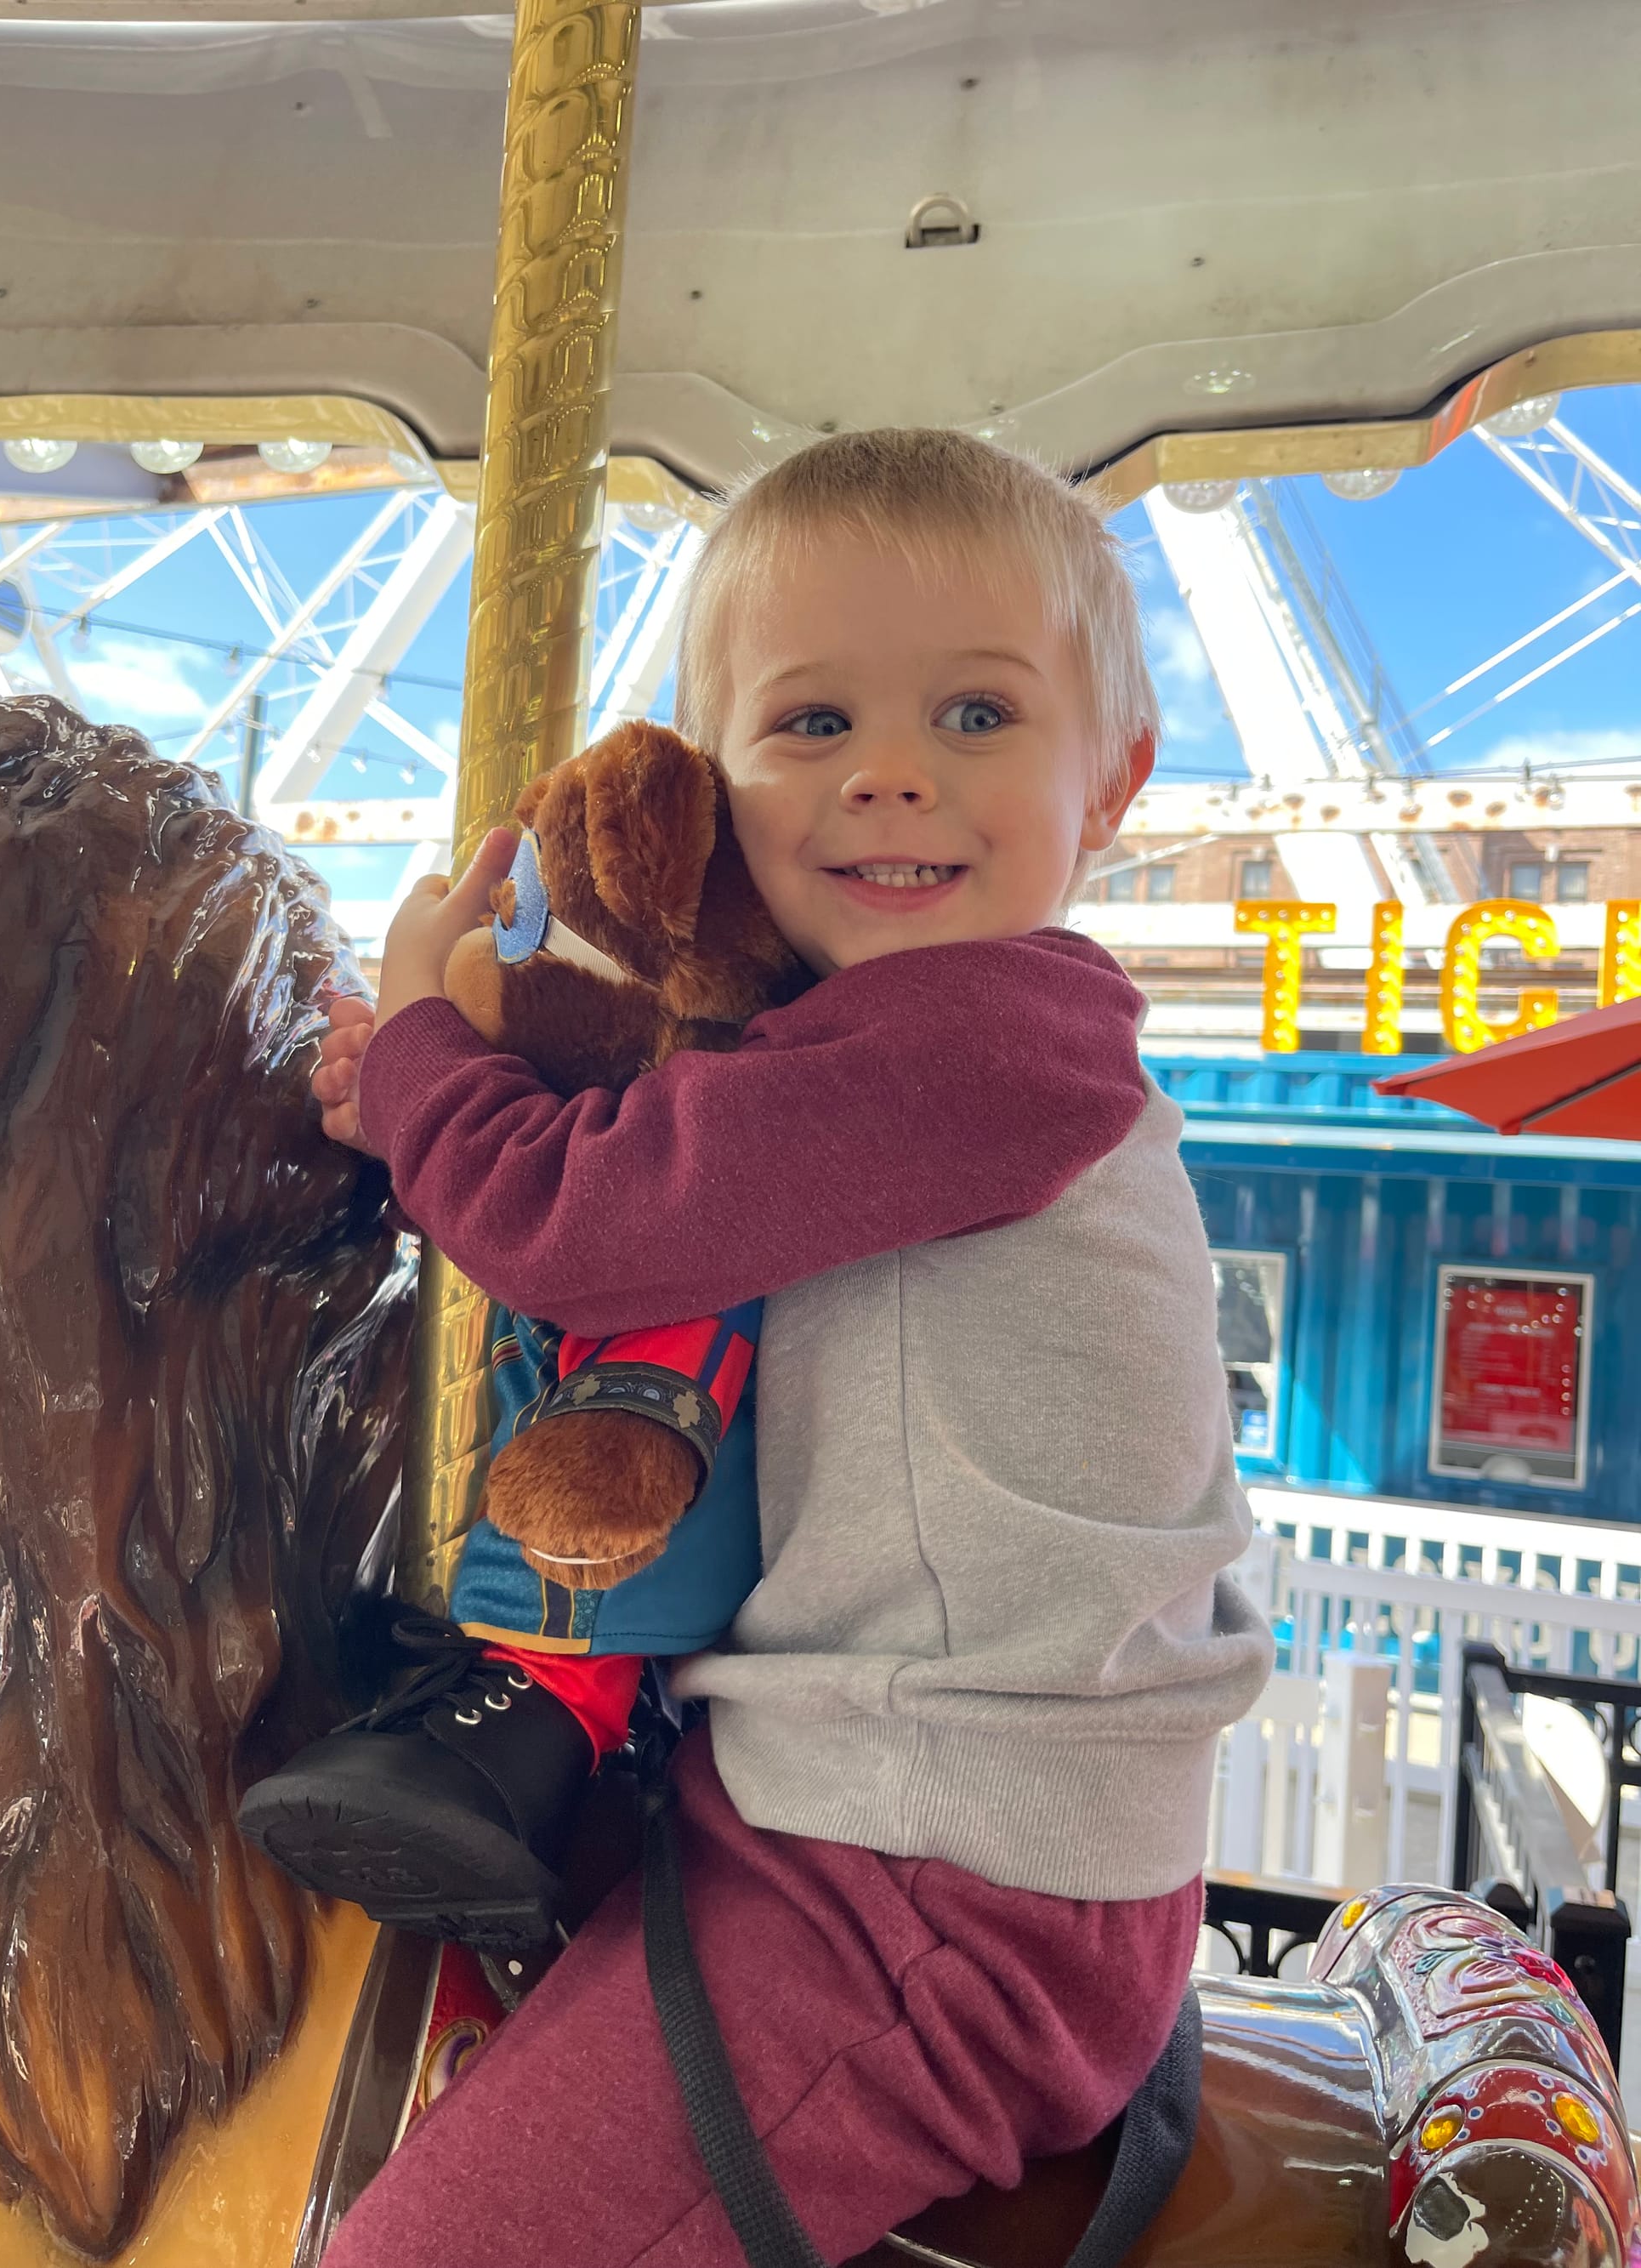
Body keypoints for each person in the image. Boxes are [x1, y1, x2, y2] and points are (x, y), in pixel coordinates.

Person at [315, 429, 1275, 2268]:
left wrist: (431, 1034)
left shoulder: (987, 1044)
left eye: (976, 715)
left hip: (936, 1881)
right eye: (814, 722)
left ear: (1116, 777)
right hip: (864, 1804)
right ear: (712, 793)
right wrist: (419, 1112)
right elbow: (640, 1145)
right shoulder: (892, 1060)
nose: (891, 773)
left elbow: (577, 1220)